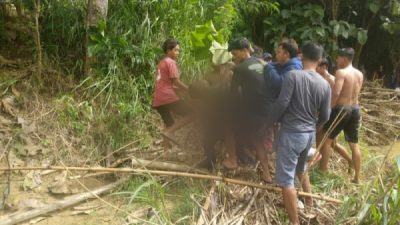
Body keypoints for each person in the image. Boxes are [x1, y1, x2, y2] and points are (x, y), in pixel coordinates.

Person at [267, 42, 331, 225]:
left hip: (291, 134)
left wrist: (269, 121)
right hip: (308, 135)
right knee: (301, 169)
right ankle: (309, 202)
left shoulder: (293, 76)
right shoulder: (324, 84)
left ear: (301, 55)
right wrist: (314, 127)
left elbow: (281, 104)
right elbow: (325, 116)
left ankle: (295, 222)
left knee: (286, 181)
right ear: (319, 60)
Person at [224, 37, 272, 182]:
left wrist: (227, 76)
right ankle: (269, 165)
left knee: (228, 126)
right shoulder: (261, 62)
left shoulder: (240, 68)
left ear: (245, 50)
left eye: (235, 53)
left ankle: (234, 160)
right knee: (263, 138)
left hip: (255, 111)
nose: (234, 56)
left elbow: (232, 92)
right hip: (270, 108)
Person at [319, 48, 364, 184]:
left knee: (327, 140)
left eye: (338, 58)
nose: (337, 61)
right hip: (355, 108)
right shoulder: (359, 73)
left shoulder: (341, 72)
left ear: (344, 58)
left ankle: (323, 171)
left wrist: (330, 108)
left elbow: (336, 93)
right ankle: (357, 177)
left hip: (341, 109)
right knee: (354, 145)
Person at [152, 38, 192, 149]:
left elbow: (167, 83)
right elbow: (176, 82)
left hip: (158, 99)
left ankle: (165, 150)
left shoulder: (161, 63)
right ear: (168, 50)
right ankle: (169, 132)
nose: (178, 53)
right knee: (192, 113)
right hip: (167, 97)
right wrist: (189, 89)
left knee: (169, 124)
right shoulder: (171, 62)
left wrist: (183, 90)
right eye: (176, 50)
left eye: (178, 50)